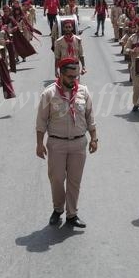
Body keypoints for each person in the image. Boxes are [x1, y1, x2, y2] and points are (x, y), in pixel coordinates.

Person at [36, 58, 98, 228]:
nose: (74, 80)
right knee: (56, 179)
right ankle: (58, 209)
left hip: (78, 143)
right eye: (70, 76)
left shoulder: (83, 92)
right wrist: (39, 144)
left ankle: (72, 214)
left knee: (74, 180)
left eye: (76, 76)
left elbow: (90, 117)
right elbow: (41, 121)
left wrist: (94, 138)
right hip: (57, 143)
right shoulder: (49, 94)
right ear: (61, 74)